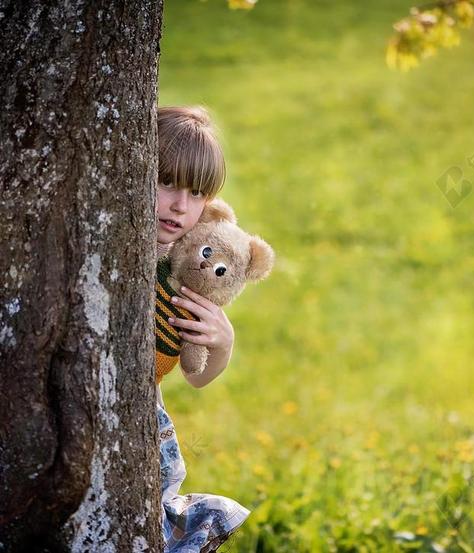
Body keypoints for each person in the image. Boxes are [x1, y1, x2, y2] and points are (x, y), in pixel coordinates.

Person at [154, 105, 250, 552]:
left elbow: (195, 377)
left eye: (196, 194)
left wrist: (223, 346)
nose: (180, 205)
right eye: (166, 182)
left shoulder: (188, 262)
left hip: (146, 425)